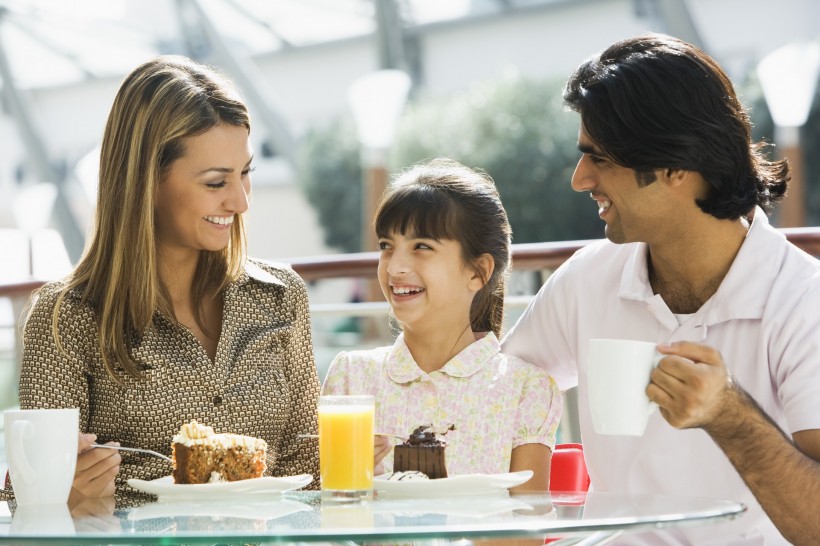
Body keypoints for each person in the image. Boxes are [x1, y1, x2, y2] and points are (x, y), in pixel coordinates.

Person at [502, 33, 820, 545]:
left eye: (599, 158)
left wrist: (730, 416)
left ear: (675, 165)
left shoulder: (806, 303)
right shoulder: (587, 279)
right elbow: (499, 400)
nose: (580, 179)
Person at [1, 55, 320, 501]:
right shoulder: (65, 318)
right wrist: (60, 496)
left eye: (245, 174)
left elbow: (313, 464)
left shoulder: (280, 296)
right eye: (215, 183)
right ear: (145, 180)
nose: (241, 202)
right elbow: (27, 496)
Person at [322, 158, 562, 492]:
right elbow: (325, 521)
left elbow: (524, 534)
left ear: (478, 272)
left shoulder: (526, 388)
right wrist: (348, 485)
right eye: (386, 246)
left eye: (422, 246)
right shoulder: (351, 378)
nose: (395, 268)